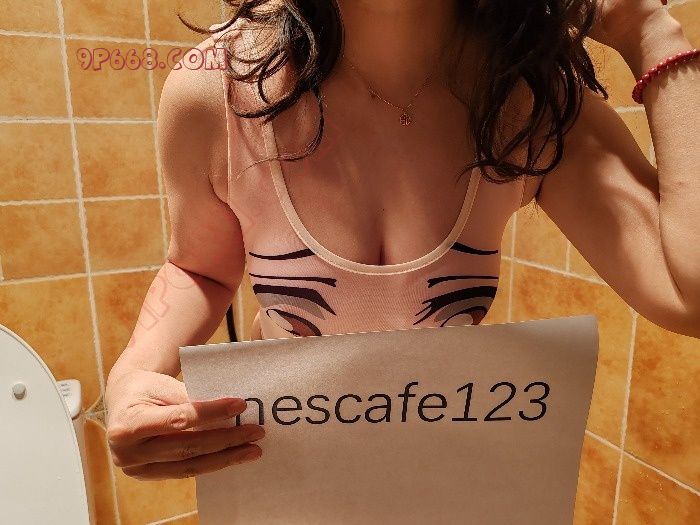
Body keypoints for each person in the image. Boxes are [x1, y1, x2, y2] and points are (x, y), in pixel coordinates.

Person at [105, 0, 699, 481]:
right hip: (283, 480)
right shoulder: (217, 89)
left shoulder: (529, 102)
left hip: (439, 477)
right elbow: (200, 268)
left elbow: (689, 291)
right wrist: (133, 374)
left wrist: (649, 29)